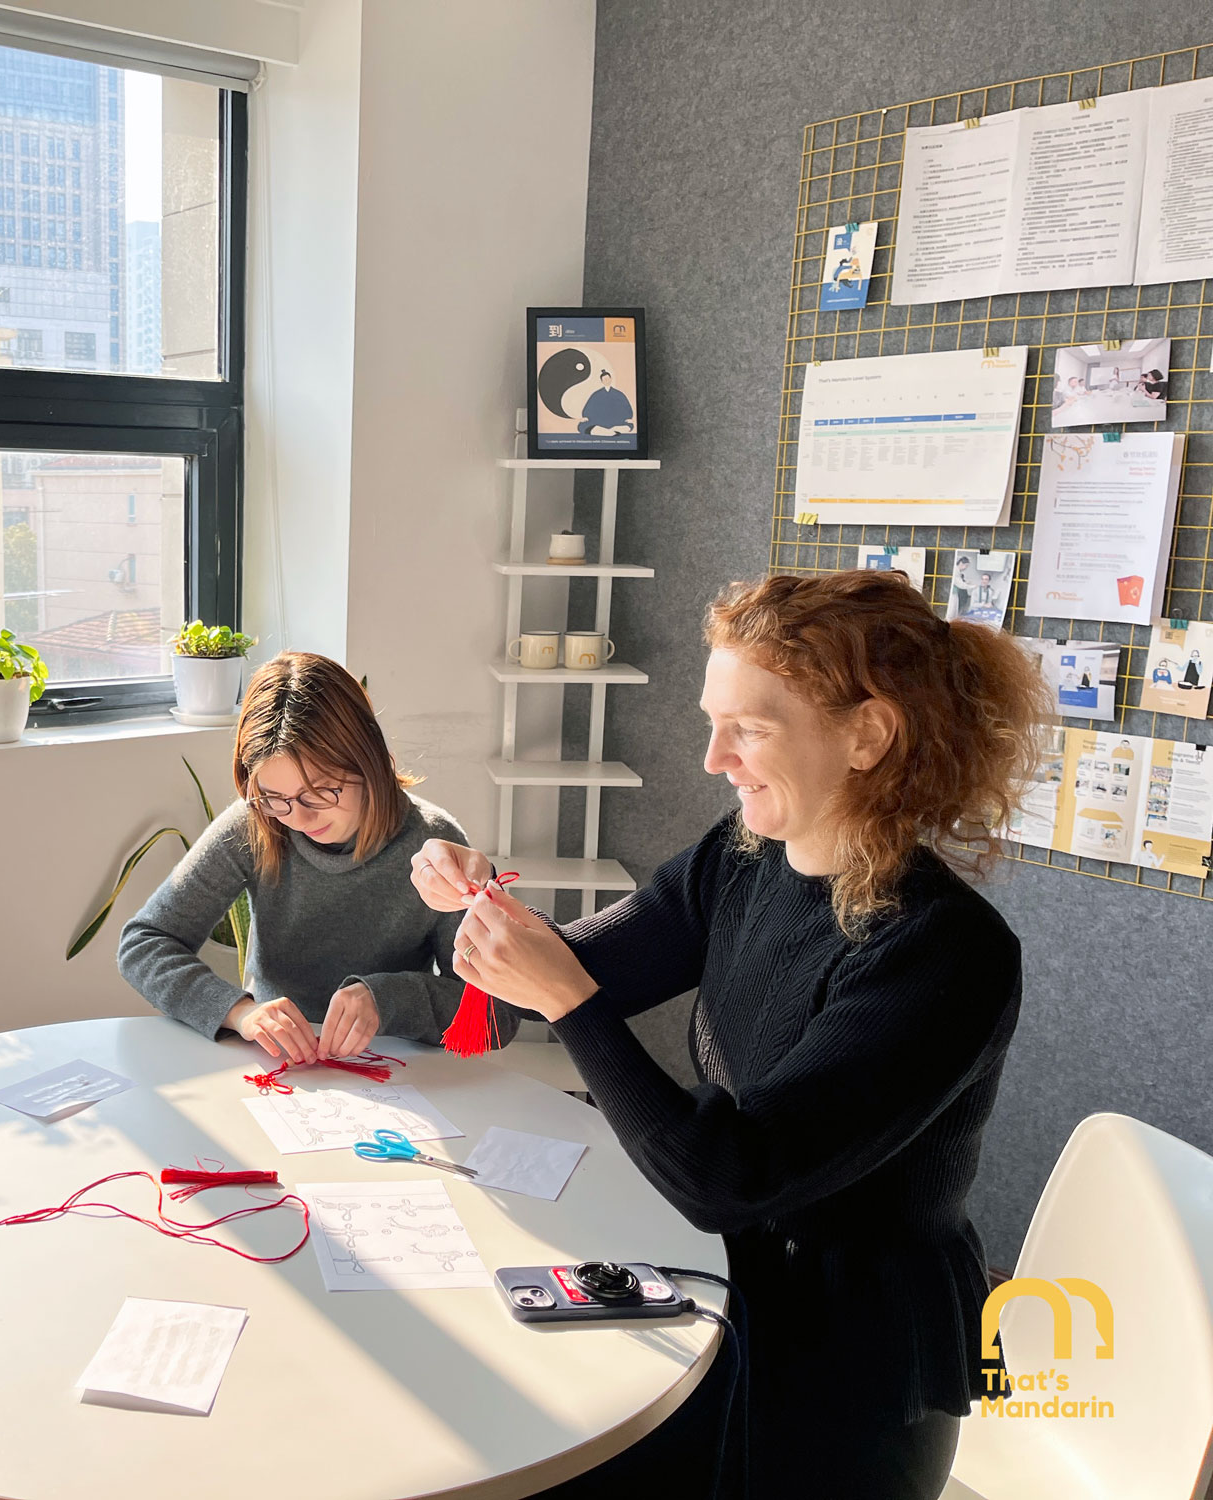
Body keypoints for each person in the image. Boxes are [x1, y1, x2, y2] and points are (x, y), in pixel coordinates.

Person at [411, 570, 1049, 1500]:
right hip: (728, 1289)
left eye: (748, 728)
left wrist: (563, 994)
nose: (715, 758)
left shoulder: (944, 951)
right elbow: (585, 972)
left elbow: (732, 1175)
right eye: (714, 722)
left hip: (850, 1367)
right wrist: (487, 908)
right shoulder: (742, 857)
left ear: (867, 735)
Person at [119, 650, 491, 1064]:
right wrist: (240, 1012)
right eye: (274, 796)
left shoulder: (434, 845)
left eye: (320, 791)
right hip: (276, 1067)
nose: (298, 818)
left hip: (397, 1069)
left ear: (368, 760)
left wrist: (386, 999)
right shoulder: (257, 824)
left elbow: (494, 1013)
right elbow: (144, 943)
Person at [576, 369, 635, 436]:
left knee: (629, 425)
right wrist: (586, 416)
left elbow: (626, 407)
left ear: (611, 379)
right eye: (604, 379)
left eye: (607, 378)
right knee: (582, 425)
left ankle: (609, 431)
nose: (606, 380)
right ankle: (609, 432)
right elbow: (589, 407)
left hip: (616, 420)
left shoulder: (619, 394)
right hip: (599, 421)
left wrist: (629, 417)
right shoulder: (596, 394)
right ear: (602, 381)